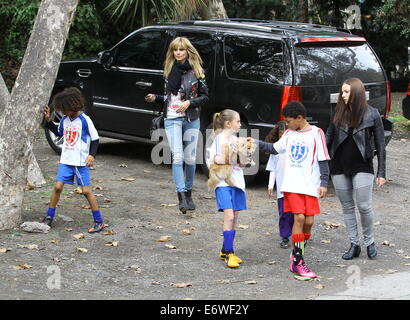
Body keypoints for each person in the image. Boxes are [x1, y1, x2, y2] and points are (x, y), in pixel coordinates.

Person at [253, 101, 330, 279]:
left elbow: (323, 159)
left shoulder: (317, 133)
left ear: (300, 118)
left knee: (309, 222)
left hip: (310, 185)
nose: (286, 125)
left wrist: (324, 183)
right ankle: (298, 261)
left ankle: (297, 251)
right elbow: (274, 149)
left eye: (288, 121)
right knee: (299, 217)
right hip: (292, 184)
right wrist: (255, 142)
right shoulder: (288, 134)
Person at [145, 37, 208, 214]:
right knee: (178, 157)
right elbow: (170, 97)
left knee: (190, 158)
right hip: (172, 118)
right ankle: (181, 196)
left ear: (188, 51)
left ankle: (188, 192)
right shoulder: (169, 70)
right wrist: (155, 98)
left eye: (181, 49)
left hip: (191, 118)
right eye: (175, 50)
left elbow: (205, 96)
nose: (178, 53)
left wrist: (189, 103)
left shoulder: (197, 71)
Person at [326, 78, 386, 260]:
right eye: (342, 92)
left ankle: (369, 242)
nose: (342, 95)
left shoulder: (372, 114)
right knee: (347, 207)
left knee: (364, 206)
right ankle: (354, 244)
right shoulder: (338, 112)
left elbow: (381, 144)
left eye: (346, 92)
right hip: (339, 166)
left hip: (362, 165)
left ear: (356, 93)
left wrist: (381, 172)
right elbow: (328, 139)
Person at [41, 87, 106, 233]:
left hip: (80, 163)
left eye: (64, 109)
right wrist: (48, 120)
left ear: (73, 106)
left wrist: (91, 155)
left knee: (86, 191)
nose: (62, 112)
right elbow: (59, 133)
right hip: (66, 160)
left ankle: (99, 221)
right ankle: (49, 217)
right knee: (57, 187)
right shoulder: (65, 119)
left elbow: (95, 139)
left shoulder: (85, 120)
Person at [208, 109, 246, 268]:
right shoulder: (219, 138)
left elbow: (243, 163)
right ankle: (229, 253)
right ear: (228, 123)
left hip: (238, 182)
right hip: (223, 182)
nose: (240, 124)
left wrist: (245, 151)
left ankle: (225, 250)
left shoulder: (237, 139)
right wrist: (233, 155)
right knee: (229, 216)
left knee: (235, 217)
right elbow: (216, 158)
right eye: (237, 121)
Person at [266, 121, 294, 249]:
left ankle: (298, 234)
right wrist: (271, 185)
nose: (283, 136)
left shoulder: (294, 148)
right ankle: (285, 236)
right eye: (281, 133)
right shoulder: (275, 151)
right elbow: (273, 169)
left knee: (295, 213)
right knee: (283, 213)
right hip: (282, 189)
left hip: (294, 189)